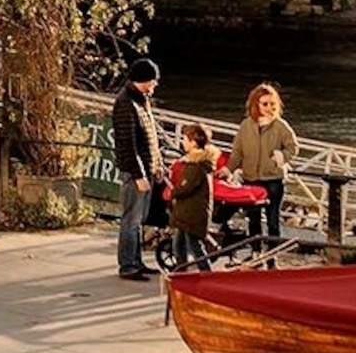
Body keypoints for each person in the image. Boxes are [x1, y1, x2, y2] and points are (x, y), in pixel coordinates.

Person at [109, 57, 161, 281]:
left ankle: (136, 262)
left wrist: (157, 164)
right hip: (134, 171)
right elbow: (128, 144)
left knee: (139, 219)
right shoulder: (126, 103)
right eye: (153, 80)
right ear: (145, 80)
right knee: (131, 219)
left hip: (145, 168)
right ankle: (128, 265)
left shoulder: (141, 101)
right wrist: (139, 174)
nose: (155, 84)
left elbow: (150, 138)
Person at [231, 83, 298, 243]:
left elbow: (293, 148)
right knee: (253, 220)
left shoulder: (281, 126)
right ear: (256, 104)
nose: (270, 108)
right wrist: (228, 169)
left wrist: (281, 156)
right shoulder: (246, 125)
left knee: (273, 221)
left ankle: (272, 257)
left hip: (273, 179)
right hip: (251, 178)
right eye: (265, 104)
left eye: (273, 104)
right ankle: (256, 253)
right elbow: (237, 152)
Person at [163, 119, 224, 270]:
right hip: (190, 213)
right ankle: (181, 269)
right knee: (180, 243)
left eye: (185, 139)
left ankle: (204, 271)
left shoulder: (195, 166)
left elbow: (186, 187)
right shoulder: (201, 164)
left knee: (193, 245)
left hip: (191, 213)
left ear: (194, 142)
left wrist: (173, 192)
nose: (183, 142)